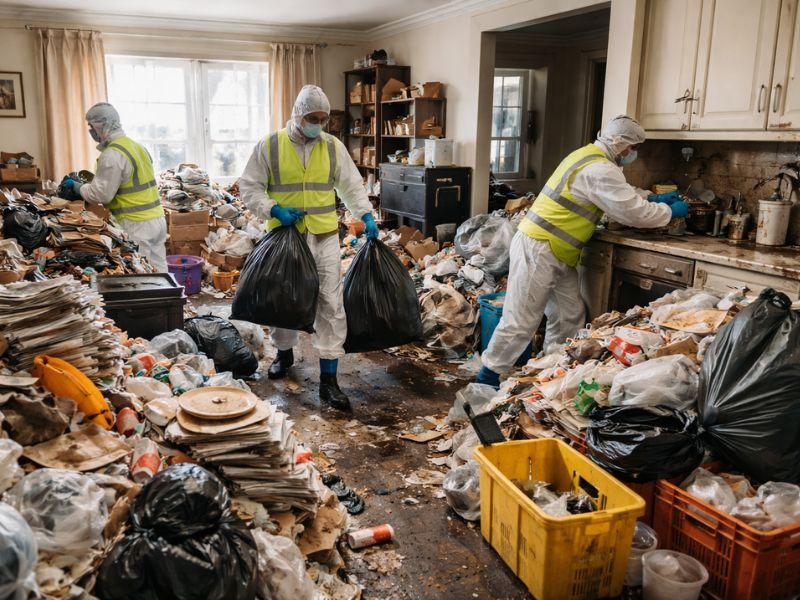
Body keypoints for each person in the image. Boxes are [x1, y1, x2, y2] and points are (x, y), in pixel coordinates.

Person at [475, 115, 689, 388]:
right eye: (632, 148)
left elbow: (619, 192)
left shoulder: (592, 158)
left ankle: (550, 368)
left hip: (556, 250)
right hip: (540, 247)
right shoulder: (600, 168)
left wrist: (651, 196)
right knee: (521, 319)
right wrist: (669, 211)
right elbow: (632, 211)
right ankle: (487, 377)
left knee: (569, 315)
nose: (632, 154)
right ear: (620, 143)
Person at [239, 84, 378, 410]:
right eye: (313, 118)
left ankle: (329, 379)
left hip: (324, 236)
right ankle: (284, 354)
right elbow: (249, 187)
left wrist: (366, 215)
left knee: (330, 302)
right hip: (285, 238)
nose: (319, 124)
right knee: (284, 300)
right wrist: (273, 209)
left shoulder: (332, 147)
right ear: (298, 116)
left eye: (324, 119)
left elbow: (351, 185)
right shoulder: (270, 146)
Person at [62, 103, 167, 272]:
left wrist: (77, 187)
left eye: (91, 126)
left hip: (136, 223)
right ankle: (167, 299)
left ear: (100, 126)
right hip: (157, 220)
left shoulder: (112, 154)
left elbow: (102, 195)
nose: (90, 131)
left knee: (141, 277)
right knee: (160, 271)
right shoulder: (137, 146)